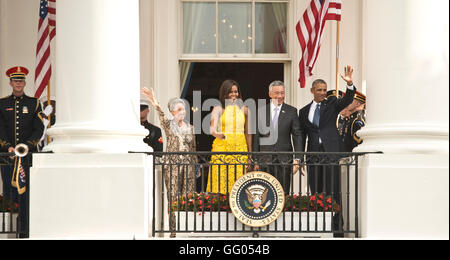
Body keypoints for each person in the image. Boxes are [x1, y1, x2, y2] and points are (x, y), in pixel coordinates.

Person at [298, 65, 356, 236]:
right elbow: (301, 137)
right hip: (313, 155)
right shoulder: (303, 112)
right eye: (319, 90)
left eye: (324, 89)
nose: (323, 92)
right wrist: (300, 158)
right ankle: (317, 228)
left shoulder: (331, 104)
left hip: (331, 154)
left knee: (333, 191)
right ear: (312, 90)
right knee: (315, 191)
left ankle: (336, 230)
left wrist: (350, 84)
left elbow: (346, 100)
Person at [141, 87, 196, 238]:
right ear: (172, 112)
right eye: (179, 109)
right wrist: (153, 100)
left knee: (189, 197)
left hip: (188, 168)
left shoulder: (191, 128)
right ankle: (174, 231)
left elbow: (193, 148)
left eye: (183, 108)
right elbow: (161, 114)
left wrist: (195, 165)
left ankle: (187, 228)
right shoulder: (168, 124)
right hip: (172, 167)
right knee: (173, 198)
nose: (182, 111)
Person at [0, 66, 45, 238]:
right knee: (11, 194)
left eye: (21, 81)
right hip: (8, 157)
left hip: (27, 157)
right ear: (11, 83)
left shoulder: (34, 103)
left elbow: (38, 128)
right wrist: (8, 147)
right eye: (15, 81)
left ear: (24, 83)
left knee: (27, 194)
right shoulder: (2, 103)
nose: (18, 84)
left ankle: (26, 232)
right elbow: (1, 129)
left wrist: (26, 145)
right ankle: (11, 232)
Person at [253, 80, 302, 195]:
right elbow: (256, 137)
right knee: (264, 192)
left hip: (284, 159)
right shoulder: (261, 111)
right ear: (270, 94)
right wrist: (255, 160)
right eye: (277, 93)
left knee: (283, 192)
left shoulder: (291, 111)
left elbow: (297, 135)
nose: (280, 96)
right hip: (264, 160)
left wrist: (298, 159)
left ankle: (283, 213)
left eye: (282, 93)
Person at [207, 79, 251, 195]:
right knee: (221, 180)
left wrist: (250, 155)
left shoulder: (245, 110)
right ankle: (219, 207)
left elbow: (248, 133)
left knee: (239, 181)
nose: (234, 94)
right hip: (222, 147)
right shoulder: (218, 109)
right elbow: (212, 129)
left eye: (236, 91)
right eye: (230, 92)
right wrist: (218, 134)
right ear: (224, 93)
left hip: (240, 148)